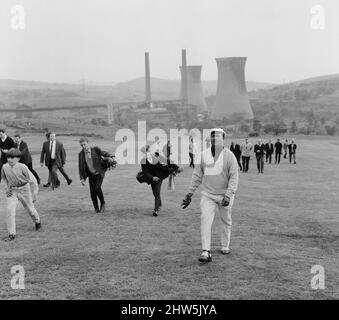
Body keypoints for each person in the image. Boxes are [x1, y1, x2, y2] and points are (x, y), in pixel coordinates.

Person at [181, 128, 239, 263]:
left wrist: (228, 195)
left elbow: (234, 178)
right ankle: (206, 251)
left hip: (225, 195)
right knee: (205, 220)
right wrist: (189, 193)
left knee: (226, 221)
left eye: (218, 137)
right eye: (212, 136)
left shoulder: (230, 156)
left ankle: (225, 245)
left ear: (223, 139)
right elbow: (197, 176)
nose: (214, 139)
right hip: (208, 195)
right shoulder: (202, 155)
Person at [1, 149, 41, 241]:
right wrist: (7, 188)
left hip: (24, 189)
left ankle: (37, 222)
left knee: (30, 210)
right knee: (9, 210)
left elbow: (33, 180)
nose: (9, 159)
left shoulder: (23, 167)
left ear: (18, 159)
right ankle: (11, 234)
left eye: (12, 157)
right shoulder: (4, 167)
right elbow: (4, 179)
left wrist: (34, 193)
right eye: (8, 157)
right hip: (13, 190)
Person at [78, 137, 115, 213]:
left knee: (97, 188)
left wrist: (111, 157)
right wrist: (82, 178)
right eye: (82, 145)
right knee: (92, 192)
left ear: (88, 143)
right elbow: (81, 167)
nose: (83, 147)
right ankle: (96, 208)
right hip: (91, 174)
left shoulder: (95, 149)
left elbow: (104, 153)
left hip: (99, 173)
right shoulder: (81, 154)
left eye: (84, 144)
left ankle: (103, 203)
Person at [140, 145, 165, 217]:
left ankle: (156, 210)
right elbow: (145, 172)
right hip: (152, 178)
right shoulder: (143, 161)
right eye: (142, 153)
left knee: (157, 192)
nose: (143, 154)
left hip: (159, 176)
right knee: (154, 192)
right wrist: (152, 177)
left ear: (148, 151)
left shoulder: (156, 155)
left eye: (144, 152)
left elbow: (165, 161)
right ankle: (159, 204)